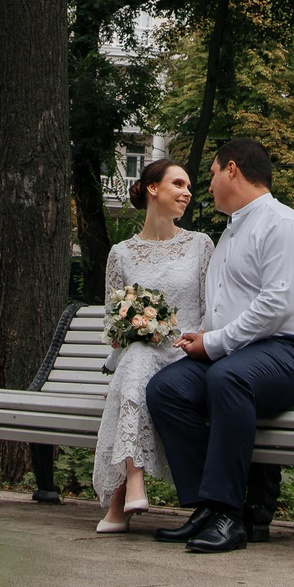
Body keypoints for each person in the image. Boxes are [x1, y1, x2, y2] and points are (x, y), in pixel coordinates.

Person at [144, 137, 294, 555]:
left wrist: (215, 343)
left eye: (211, 174)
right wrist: (203, 336)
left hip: (293, 351)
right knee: (166, 389)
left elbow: (277, 305)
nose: (207, 186)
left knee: (227, 379)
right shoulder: (231, 232)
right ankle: (206, 508)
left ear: (232, 169)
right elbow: (228, 306)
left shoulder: (282, 224)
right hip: (239, 354)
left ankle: (230, 515)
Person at [91, 158, 213, 533]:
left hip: (186, 355)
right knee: (138, 357)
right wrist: (136, 326)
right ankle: (133, 483)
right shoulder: (121, 253)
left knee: (135, 369)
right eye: (178, 184)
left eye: (189, 186)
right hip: (142, 357)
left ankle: (123, 498)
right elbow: (113, 322)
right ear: (153, 188)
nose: (187, 192)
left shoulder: (200, 245)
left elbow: (211, 310)